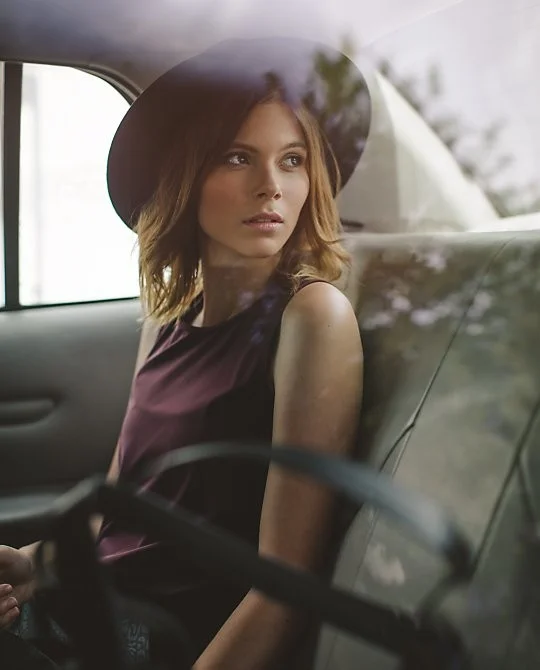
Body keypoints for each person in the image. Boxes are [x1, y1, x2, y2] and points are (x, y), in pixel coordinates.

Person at [0, 36, 367, 669]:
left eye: (292, 160)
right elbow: (119, 506)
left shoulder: (312, 316)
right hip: (90, 611)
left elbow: (283, 585)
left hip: (159, 643)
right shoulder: (169, 319)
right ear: (186, 177)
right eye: (237, 157)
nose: (271, 187)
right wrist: (32, 565)